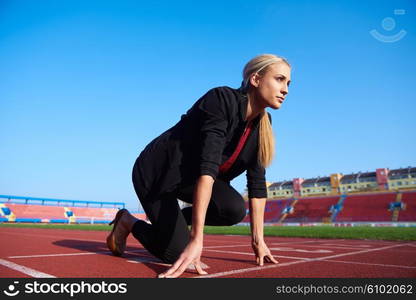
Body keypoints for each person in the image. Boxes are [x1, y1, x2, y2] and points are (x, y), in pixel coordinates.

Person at [107, 53, 291, 278]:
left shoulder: (263, 125)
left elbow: (257, 184)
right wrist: (196, 239)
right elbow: (208, 168)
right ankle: (127, 221)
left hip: (190, 179)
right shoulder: (221, 99)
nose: (286, 90)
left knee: (233, 209)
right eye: (280, 79)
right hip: (158, 173)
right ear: (255, 79)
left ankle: (177, 223)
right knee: (175, 253)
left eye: (288, 83)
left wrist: (258, 240)